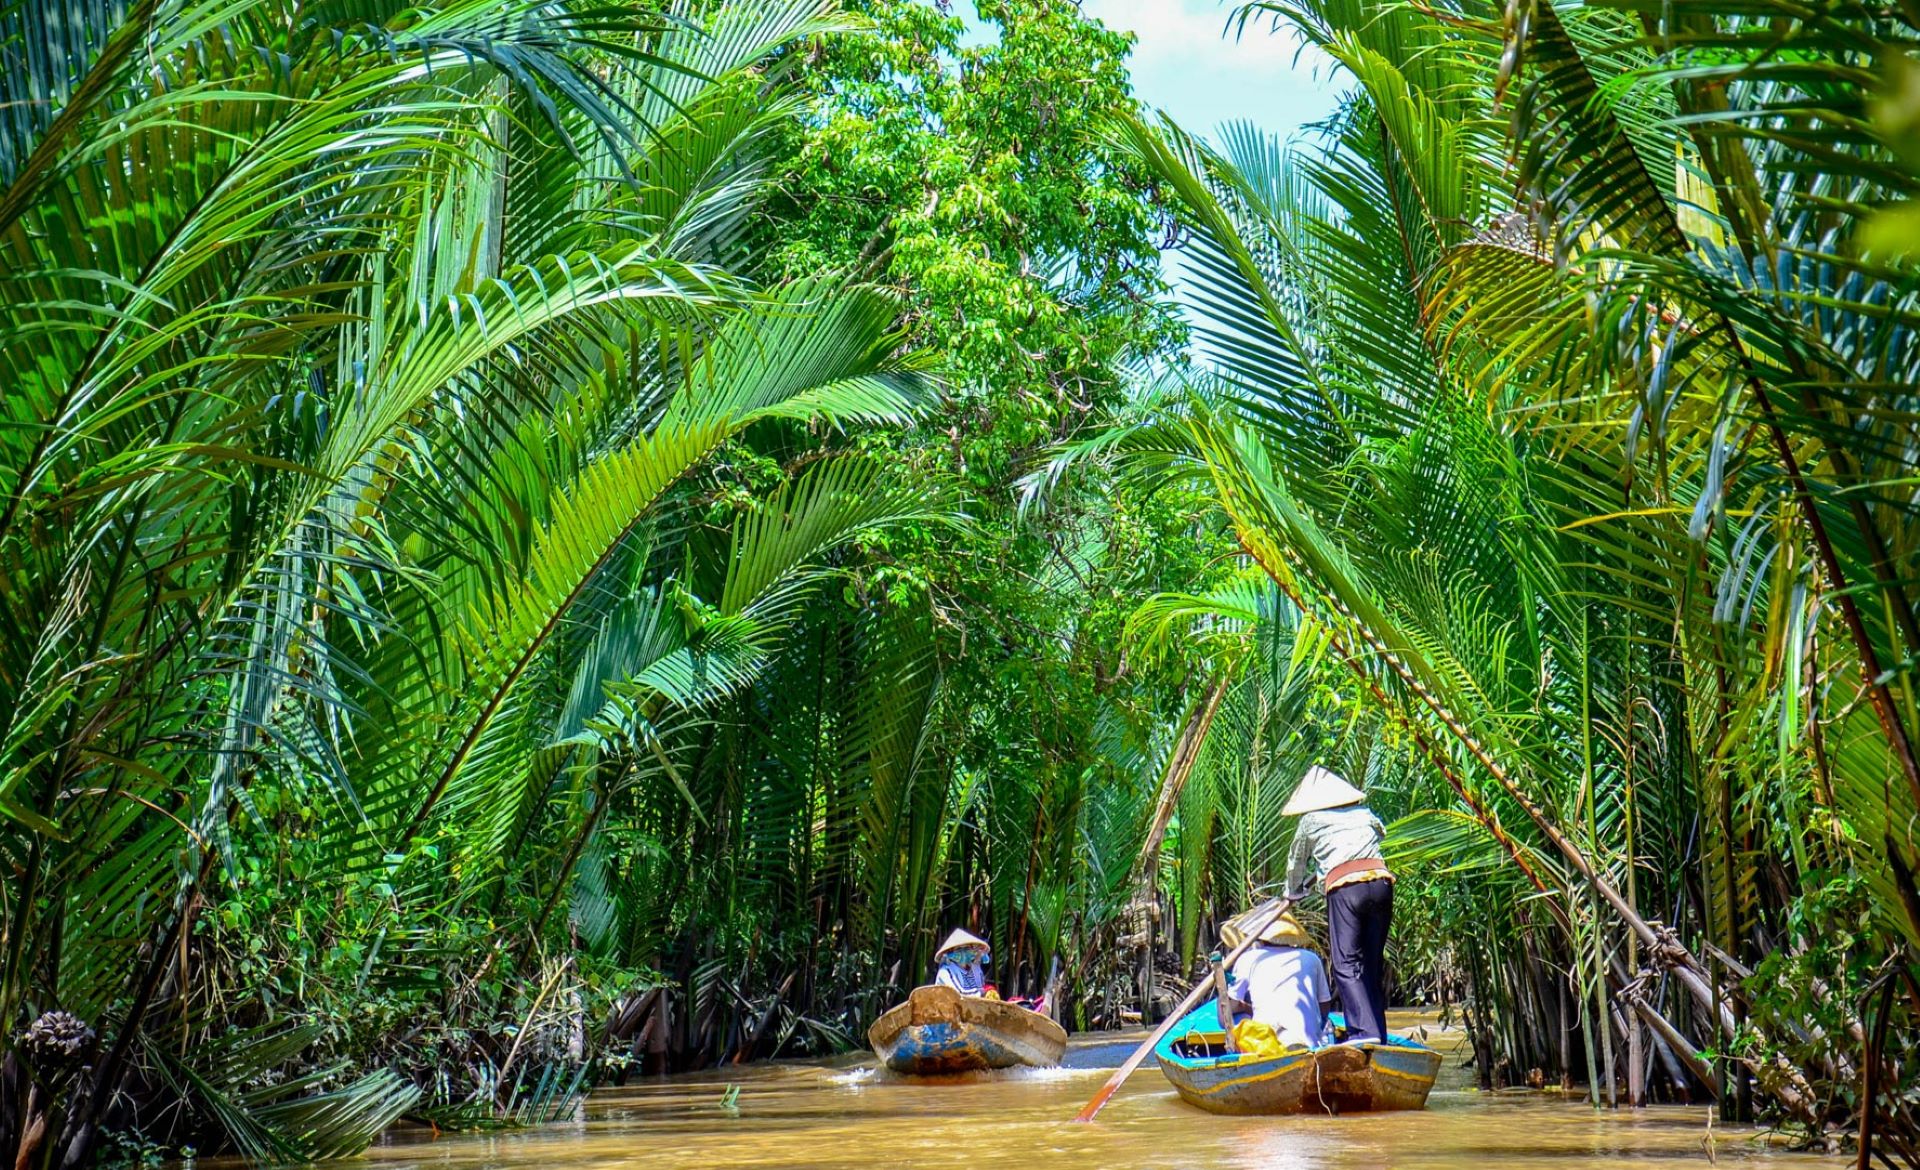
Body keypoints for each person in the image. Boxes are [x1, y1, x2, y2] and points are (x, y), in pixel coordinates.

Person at [1282, 765, 1395, 1043]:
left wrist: (1292, 891)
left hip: (1347, 889)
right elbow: (1380, 834)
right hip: (1381, 883)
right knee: (1371, 963)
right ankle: (1378, 1033)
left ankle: (1363, 1033)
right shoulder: (1364, 813)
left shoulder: (1310, 821)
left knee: (1346, 965)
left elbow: (1296, 862)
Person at [1219, 909, 1331, 1050]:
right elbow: (1324, 1008)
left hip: (1268, 1046)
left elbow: (1224, 1017)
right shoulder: (1311, 958)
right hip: (1310, 1044)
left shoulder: (1249, 959)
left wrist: (1221, 983)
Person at [932, 928, 992, 997]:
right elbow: (957, 994)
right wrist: (983, 994)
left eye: (970, 947)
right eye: (960, 949)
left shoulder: (975, 969)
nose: (967, 951)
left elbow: (980, 989)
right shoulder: (945, 971)